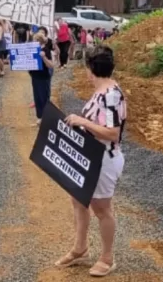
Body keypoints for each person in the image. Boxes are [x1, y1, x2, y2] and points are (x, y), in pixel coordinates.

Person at [56, 46, 127, 278]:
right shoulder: (103, 90)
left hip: (104, 158)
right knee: (78, 199)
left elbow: (112, 133)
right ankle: (80, 248)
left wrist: (82, 122)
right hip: (90, 156)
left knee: (102, 209)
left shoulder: (111, 95)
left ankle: (107, 257)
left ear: (90, 69)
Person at [29, 32, 57, 127]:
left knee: (44, 98)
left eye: (35, 40)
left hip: (43, 77)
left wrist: (43, 57)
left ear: (39, 41)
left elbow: (51, 65)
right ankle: (40, 117)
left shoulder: (46, 50)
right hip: (35, 76)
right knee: (37, 98)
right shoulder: (34, 50)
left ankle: (46, 118)